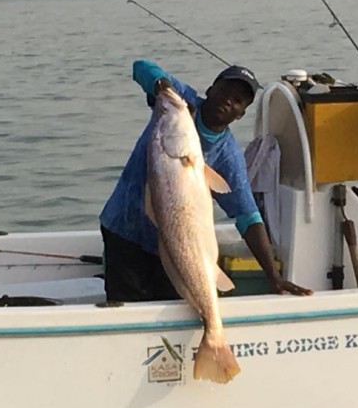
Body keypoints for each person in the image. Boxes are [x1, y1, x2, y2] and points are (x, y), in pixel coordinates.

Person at [100, 59, 312, 301]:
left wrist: (273, 275)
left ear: (241, 114)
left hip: (173, 245)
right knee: (126, 306)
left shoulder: (227, 156)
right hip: (123, 228)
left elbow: (247, 216)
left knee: (172, 308)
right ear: (211, 89)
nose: (228, 100)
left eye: (238, 100)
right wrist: (162, 86)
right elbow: (141, 67)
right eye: (225, 90)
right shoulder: (179, 105)